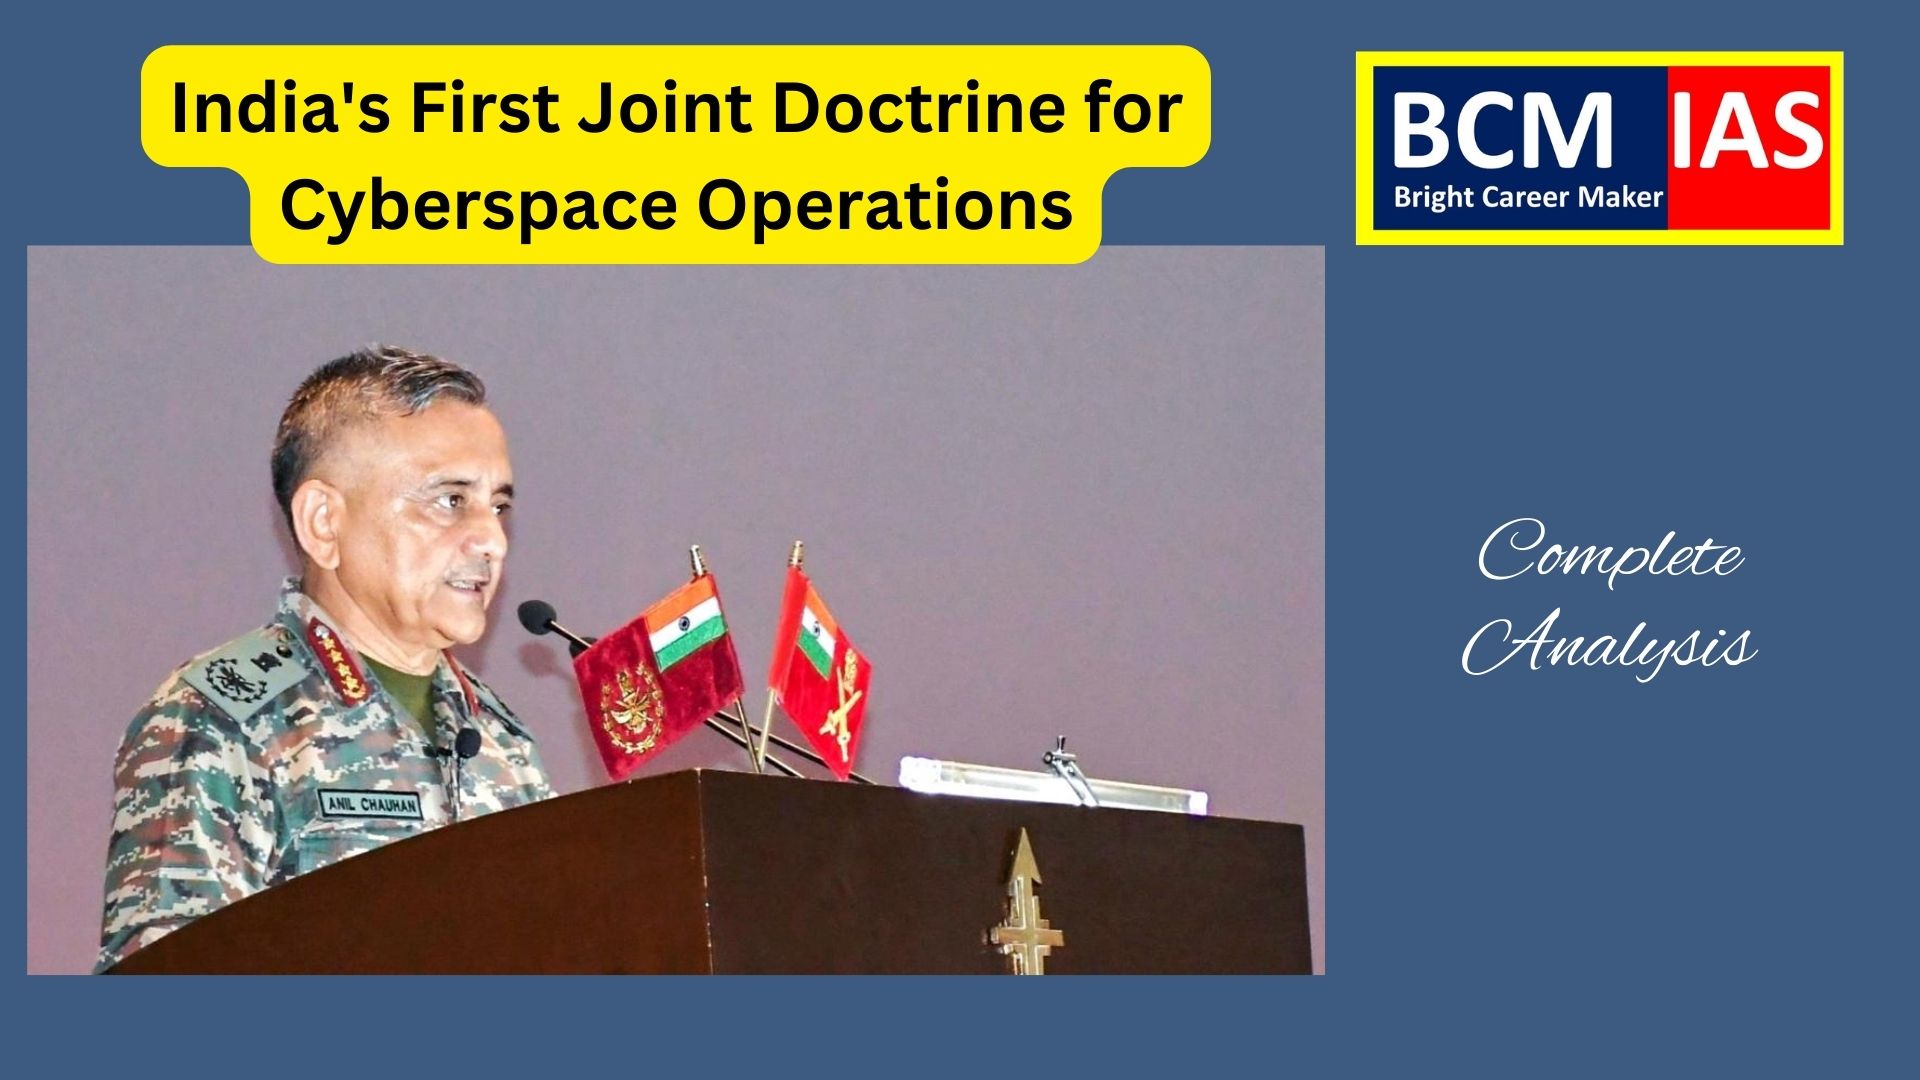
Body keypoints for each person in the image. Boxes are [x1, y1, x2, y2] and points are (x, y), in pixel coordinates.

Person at [96, 346, 553, 972]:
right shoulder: (218, 721)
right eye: (450, 501)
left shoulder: (501, 741)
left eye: (499, 506)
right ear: (323, 523)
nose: (492, 539)